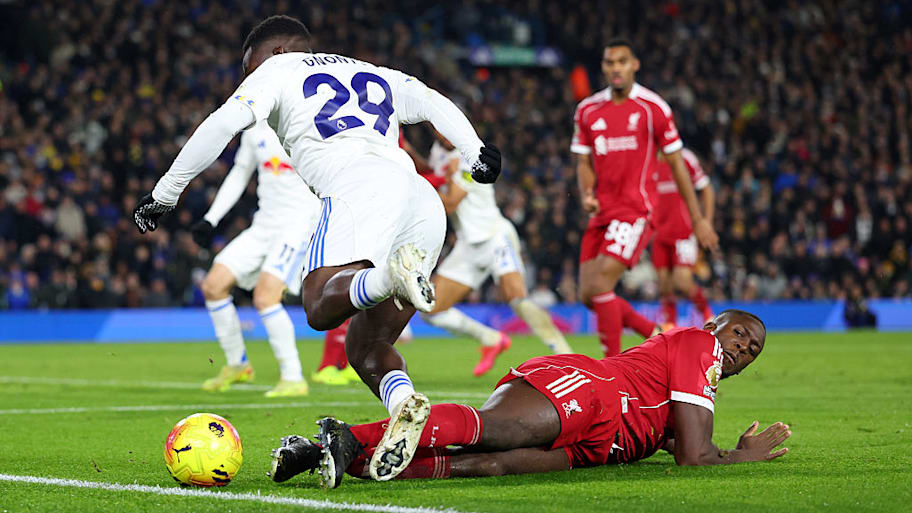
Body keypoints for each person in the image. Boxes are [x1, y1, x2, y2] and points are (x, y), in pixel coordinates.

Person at [131, 15, 501, 484]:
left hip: (359, 186)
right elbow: (431, 100)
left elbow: (222, 122)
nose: (249, 81)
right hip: (420, 199)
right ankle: (404, 404)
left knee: (319, 304)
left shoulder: (279, 70)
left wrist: (165, 193)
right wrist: (476, 152)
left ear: (276, 53)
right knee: (367, 344)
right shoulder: (376, 72)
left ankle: (391, 275)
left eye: (250, 70)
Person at [268, 310, 789, 488]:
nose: (743, 345)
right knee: (497, 429)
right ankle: (347, 436)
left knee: (489, 466)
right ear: (711, 326)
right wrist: (743, 455)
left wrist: (723, 450)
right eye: (739, 331)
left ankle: (329, 456)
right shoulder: (697, 346)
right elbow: (693, 455)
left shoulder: (698, 385)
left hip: (596, 445)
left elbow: (692, 445)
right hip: (594, 391)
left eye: (753, 348)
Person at [572, 38, 719, 357]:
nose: (616, 68)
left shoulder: (653, 108)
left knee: (601, 287)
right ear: (603, 67)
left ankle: (609, 367)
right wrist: (587, 193)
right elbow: (583, 160)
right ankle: (658, 337)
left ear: (634, 65)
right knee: (587, 294)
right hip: (601, 212)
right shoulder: (587, 110)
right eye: (610, 63)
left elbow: (679, 166)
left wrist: (698, 219)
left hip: (635, 210)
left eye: (622, 62)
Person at [422, 131, 573, 377]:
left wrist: (417, 184)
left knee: (517, 299)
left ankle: (567, 356)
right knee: (430, 309)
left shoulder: (471, 156)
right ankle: (491, 339)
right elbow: (429, 168)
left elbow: (449, 204)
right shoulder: (438, 152)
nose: (447, 134)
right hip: (468, 245)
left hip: (494, 237)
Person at [190, 121, 318, 397]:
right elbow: (239, 172)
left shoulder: (305, 120)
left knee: (265, 297)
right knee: (213, 285)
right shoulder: (255, 128)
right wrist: (211, 219)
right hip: (263, 225)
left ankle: (293, 377)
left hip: (297, 225)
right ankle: (238, 365)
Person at [652, 148, 715, 327]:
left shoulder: (684, 157)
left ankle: (708, 315)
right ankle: (670, 325)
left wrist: (706, 222)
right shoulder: (648, 159)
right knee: (664, 285)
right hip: (659, 233)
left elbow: (706, 188)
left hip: (683, 232)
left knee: (683, 281)